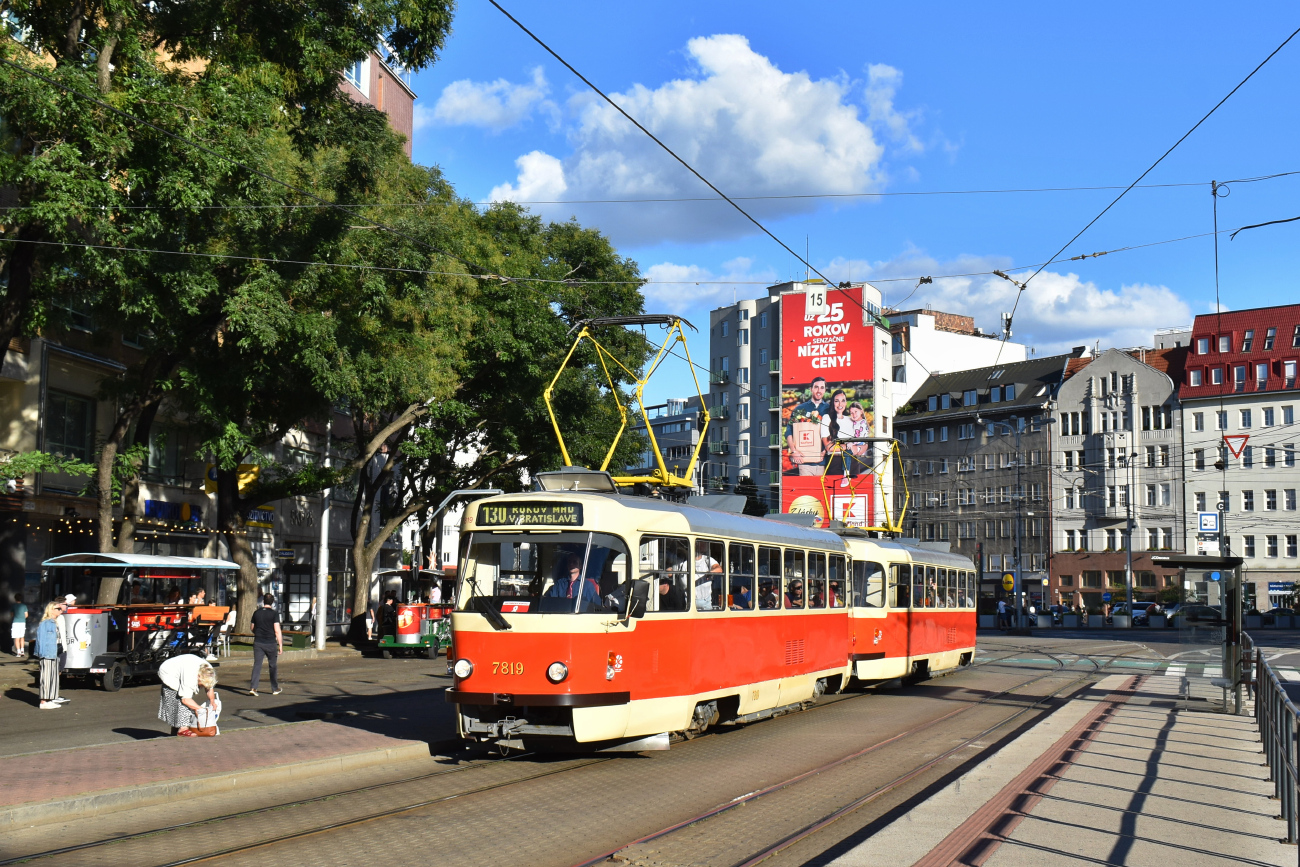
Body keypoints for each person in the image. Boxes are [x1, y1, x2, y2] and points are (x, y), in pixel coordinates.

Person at [158, 653, 218, 736]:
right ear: (198, 677)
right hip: (169, 671)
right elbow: (185, 699)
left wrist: (212, 701)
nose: (201, 687)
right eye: (201, 684)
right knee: (181, 698)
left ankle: (176, 729)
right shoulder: (190, 677)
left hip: (185, 665)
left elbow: (209, 688)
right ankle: (183, 729)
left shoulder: (209, 671)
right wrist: (200, 709)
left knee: (188, 701)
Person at [785, 377, 830, 476]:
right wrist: (794, 451)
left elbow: (834, 434)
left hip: (825, 463)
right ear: (811, 389)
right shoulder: (800, 408)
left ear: (825, 390)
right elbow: (789, 431)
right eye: (816, 387)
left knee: (822, 491)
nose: (819, 390)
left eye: (822, 388)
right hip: (805, 463)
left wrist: (825, 450)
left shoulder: (829, 409)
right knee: (807, 491)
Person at [248, 594, 282, 697]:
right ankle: (274, 688)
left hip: (258, 642)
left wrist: (257, 633)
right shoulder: (274, 614)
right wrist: (280, 644)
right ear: (272, 602)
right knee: (272, 666)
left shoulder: (256, 613)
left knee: (257, 665)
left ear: (263, 601)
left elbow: (252, 627)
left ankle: (253, 687)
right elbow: (277, 630)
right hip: (270, 642)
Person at [819, 390, 852, 486]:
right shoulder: (827, 418)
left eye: (843, 400)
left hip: (852, 462)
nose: (840, 404)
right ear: (832, 403)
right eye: (837, 401)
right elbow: (829, 447)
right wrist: (847, 446)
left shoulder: (850, 420)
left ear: (846, 402)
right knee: (834, 496)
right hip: (835, 462)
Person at [35, 603, 62, 709]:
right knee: (46, 678)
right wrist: (42, 655)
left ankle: (50, 699)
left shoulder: (54, 623)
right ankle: (43, 701)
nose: (60, 610)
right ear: (51, 610)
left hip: (54, 653)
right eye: (58, 608)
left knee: (53, 677)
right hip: (47, 654)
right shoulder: (45, 623)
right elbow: (40, 639)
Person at [694, 544, 722, 611]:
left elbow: (719, 569)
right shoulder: (684, 561)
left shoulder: (707, 559)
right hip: (689, 600)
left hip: (706, 602)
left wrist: (709, 573)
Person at [10, 593, 28, 657]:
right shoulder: (24, 606)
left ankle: (18, 652)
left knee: (16, 638)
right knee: (22, 637)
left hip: (16, 622)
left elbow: (12, 615)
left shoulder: (13, 606)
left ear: (15, 599)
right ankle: (22, 650)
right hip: (23, 623)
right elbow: (26, 615)